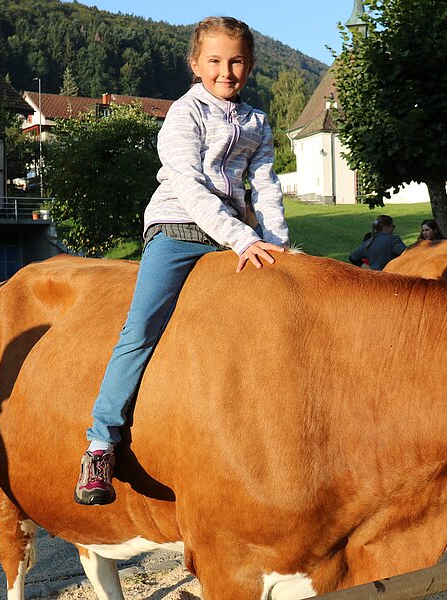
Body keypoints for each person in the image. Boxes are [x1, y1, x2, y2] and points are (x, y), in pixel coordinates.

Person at [74, 16, 289, 506]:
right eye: (214, 61)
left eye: (236, 61)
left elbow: (268, 186)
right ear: (195, 64)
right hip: (177, 229)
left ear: (250, 66)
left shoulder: (256, 122)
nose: (225, 71)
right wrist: (239, 236)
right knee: (140, 329)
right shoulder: (183, 114)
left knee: (272, 318)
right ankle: (100, 444)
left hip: (237, 236)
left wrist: (278, 243)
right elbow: (189, 187)